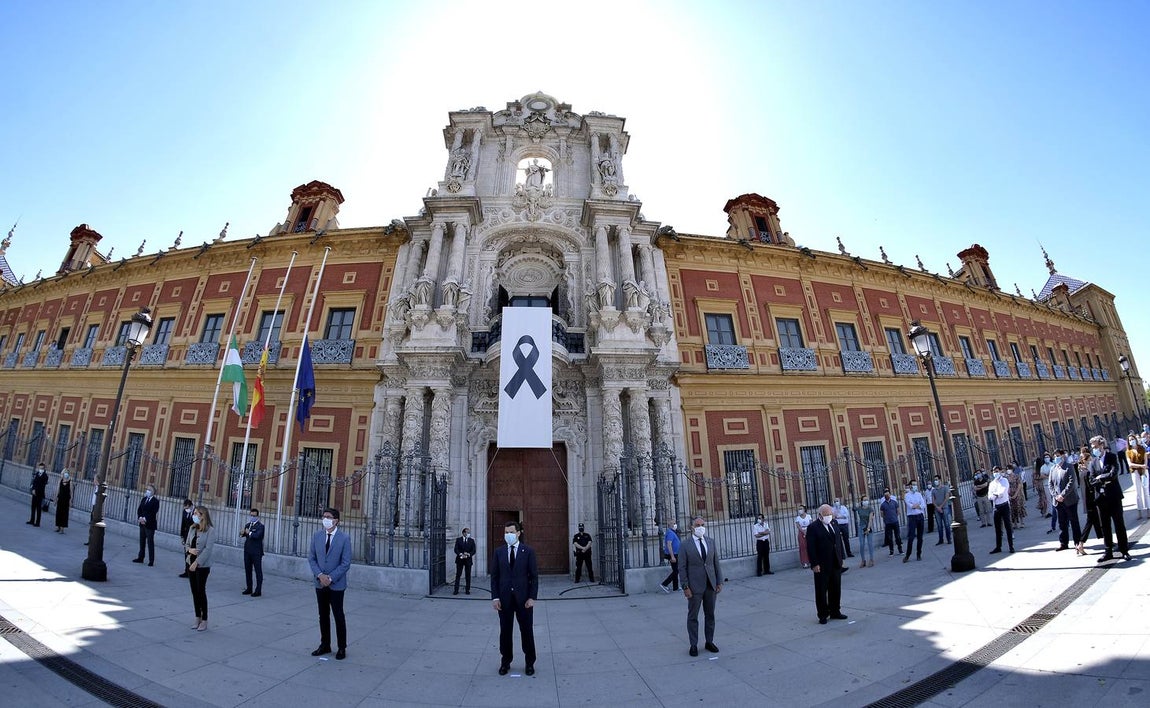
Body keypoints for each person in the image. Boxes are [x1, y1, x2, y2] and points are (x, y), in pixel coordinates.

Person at [491, 521, 538, 675]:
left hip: (524, 600)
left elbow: (534, 577)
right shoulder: (499, 552)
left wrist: (532, 597)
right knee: (505, 632)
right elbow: (495, 577)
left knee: (527, 631)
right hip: (504, 600)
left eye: (511, 532)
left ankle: (529, 663)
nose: (508, 535)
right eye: (506, 532)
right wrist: (495, 598)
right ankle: (505, 662)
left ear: (518, 533)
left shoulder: (528, 551)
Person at [309, 508, 352, 660]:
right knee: (323, 615)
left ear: (336, 520)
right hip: (320, 583)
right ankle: (325, 644)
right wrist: (320, 575)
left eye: (328, 517)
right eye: (324, 516)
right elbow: (312, 558)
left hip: (336, 584)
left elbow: (346, 563)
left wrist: (331, 578)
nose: (325, 519)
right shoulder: (317, 536)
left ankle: (341, 647)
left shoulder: (344, 538)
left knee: (338, 615)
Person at [680, 516, 722, 656]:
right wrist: (685, 586)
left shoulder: (710, 541)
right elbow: (682, 567)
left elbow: (716, 563)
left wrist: (719, 581)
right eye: (697, 525)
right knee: (693, 616)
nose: (700, 527)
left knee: (710, 615)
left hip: (710, 584)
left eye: (702, 525)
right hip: (694, 586)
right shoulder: (685, 545)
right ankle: (693, 644)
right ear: (692, 527)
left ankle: (709, 641)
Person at [1087, 435, 1131, 562]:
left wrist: (1100, 477)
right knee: (1105, 526)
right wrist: (1102, 480)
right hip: (1101, 498)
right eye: (1092, 447)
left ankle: (1124, 550)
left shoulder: (1111, 457)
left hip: (1114, 496)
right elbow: (1091, 480)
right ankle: (1108, 551)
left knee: (1119, 524)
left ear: (1102, 445)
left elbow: (1113, 474)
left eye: (1095, 446)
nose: (1094, 449)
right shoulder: (1093, 462)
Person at [807, 504, 848, 624]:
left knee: (835, 588)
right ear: (820, 515)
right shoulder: (813, 527)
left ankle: (835, 611)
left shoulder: (834, 523)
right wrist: (814, 564)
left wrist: (841, 557)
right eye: (826, 515)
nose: (828, 516)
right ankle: (823, 614)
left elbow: (838, 541)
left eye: (830, 514)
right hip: (822, 564)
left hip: (835, 562)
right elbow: (811, 547)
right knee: (821, 590)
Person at [184, 506, 214, 631]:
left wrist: (197, 562)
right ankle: (197, 617)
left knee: (201, 591)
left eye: (196, 513)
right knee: (194, 592)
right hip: (189, 563)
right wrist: (189, 550)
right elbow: (186, 544)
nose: (194, 515)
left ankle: (205, 619)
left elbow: (208, 549)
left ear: (202, 516)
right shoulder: (192, 528)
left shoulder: (210, 530)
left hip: (202, 566)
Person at [1047, 450, 1081, 553]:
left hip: (1070, 499)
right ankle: (1063, 543)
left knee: (1074, 522)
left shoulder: (1069, 467)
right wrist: (1056, 495)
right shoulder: (1053, 469)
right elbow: (1050, 484)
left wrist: (1062, 495)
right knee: (1062, 523)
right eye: (1054, 456)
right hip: (1058, 501)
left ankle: (1077, 543)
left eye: (1058, 456)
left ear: (1062, 456)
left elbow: (1072, 481)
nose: (1056, 458)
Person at [1077, 446, 1106, 556]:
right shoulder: (1087, 472)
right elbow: (1091, 486)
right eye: (1089, 460)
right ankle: (1080, 543)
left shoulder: (1081, 471)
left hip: (1087, 500)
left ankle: (1106, 539)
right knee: (1090, 522)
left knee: (1096, 521)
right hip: (1091, 500)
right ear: (1086, 461)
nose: (1091, 462)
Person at [988, 467, 1015, 554]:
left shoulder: (1004, 481)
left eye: (997, 471)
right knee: (998, 528)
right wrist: (996, 495)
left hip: (1004, 505)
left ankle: (1011, 546)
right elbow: (990, 496)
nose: (995, 473)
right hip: (996, 507)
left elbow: (1002, 493)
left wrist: (995, 495)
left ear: (1000, 472)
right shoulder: (992, 484)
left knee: (1008, 526)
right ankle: (998, 547)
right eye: (994, 471)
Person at [133, 484, 160, 566]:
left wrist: (145, 519)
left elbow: (153, 512)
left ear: (153, 492)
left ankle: (151, 560)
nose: (147, 491)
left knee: (150, 542)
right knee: (142, 541)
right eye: (147, 489)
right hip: (142, 524)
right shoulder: (144, 499)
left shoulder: (155, 501)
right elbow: (139, 509)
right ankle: (140, 557)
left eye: (149, 490)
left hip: (150, 525)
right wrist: (140, 518)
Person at [241, 507, 264, 597]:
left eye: (254, 516)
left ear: (257, 517)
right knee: (248, 570)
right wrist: (242, 533)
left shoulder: (260, 526)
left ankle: (258, 590)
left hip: (256, 552)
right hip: (247, 551)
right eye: (251, 515)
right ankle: (249, 588)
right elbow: (244, 535)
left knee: (258, 571)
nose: (252, 517)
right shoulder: (248, 525)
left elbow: (257, 536)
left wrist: (249, 533)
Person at [1125, 434, 1148, 519]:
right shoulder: (1128, 451)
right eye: (1130, 440)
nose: (1132, 441)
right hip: (1135, 472)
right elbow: (1130, 464)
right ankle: (1139, 511)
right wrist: (1141, 466)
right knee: (1137, 492)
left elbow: (1145, 459)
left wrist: (1144, 467)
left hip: (1144, 471)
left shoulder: (1141, 448)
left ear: (1135, 439)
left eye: (1133, 439)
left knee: (1146, 491)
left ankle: (1148, 510)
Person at [903, 480, 926, 562]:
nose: (915, 486)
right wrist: (917, 505)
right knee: (911, 537)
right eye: (913, 485)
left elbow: (923, 505)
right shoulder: (907, 495)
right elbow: (910, 506)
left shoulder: (919, 494)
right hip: (912, 517)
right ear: (910, 486)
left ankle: (918, 554)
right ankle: (908, 555)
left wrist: (917, 506)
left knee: (920, 537)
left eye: (916, 484)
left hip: (920, 516)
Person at [453, 526, 476, 595]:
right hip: (460, 560)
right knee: (458, 575)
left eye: (469, 532)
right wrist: (460, 554)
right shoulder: (458, 540)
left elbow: (474, 550)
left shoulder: (471, 540)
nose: (468, 534)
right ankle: (456, 590)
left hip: (468, 560)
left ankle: (467, 589)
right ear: (463, 533)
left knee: (468, 575)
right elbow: (456, 549)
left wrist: (469, 554)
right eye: (467, 532)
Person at [659, 521, 681, 592]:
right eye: (673, 523)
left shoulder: (671, 532)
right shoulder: (670, 533)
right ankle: (664, 584)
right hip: (673, 554)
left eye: (675, 523)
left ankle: (675, 587)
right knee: (676, 570)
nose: (675, 525)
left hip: (675, 554)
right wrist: (672, 556)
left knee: (675, 570)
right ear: (669, 525)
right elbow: (669, 544)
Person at [880, 491, 902, 556]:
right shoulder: (883, 505)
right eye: (885, 495)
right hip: (888, 523)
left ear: (890, 495)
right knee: (890, 538)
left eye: (888, 495)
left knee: (898, 536)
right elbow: (882, 514)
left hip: (895, 522)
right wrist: (886, 519)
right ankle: (891, 551)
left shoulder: (894, 502)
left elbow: (898, 511)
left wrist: (894, 517)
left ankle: (900, 550)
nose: (887, 496)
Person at [855, 496, 875, 568]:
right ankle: (863, 560)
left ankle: (871, 559)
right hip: (861, 527)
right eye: (864, 500)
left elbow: (870, 520)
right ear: (862, 501)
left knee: (870, 543)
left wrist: (868, 529)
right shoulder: (859, 508)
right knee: (862, 544)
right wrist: (857, 505)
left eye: (867, 500)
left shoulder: (870, 509)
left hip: (868, 527)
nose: (866, 501)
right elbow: (854, 509)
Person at [932, 476, 952, 545]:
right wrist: (937, 507)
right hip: (937, 509)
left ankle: (949, 539)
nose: (935, 481)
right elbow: (933, 500)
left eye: (936, 480)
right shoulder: (933, 490)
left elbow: (946, 498)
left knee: (947, 524)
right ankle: (941, 540)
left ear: (940, 480)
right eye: (934, 480)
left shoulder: (945, 488)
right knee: (939, 525)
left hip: (945, 508)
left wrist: (940, 507)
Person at [178, 499, 195, 578]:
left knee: (193, 554)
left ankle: (193, 572)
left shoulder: (196, 512)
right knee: (187, 553)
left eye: (187, 508)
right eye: (185, 508)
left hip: (193, 536)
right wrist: (182, 536)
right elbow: (183, 524)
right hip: (186, 535)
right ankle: (187, 571)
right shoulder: (185, 511)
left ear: (191, 506)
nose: (186, 509)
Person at [1008, 464, 1027, 529]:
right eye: (1007, 469)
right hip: (1010, 495)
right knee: (1012, 509)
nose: (1008, 470)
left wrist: (1016, 494)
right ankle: (1015, 523)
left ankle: (1022, 522)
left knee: (1019, 508)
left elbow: (1019, 485)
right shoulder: (1006, 478)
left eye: (1009, 469)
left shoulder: (1016, 476)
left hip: (1018, 494)